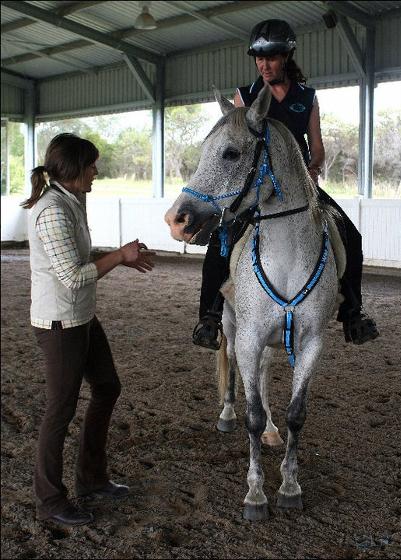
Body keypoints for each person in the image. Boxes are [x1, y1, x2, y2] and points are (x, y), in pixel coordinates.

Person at [192, 19, 379, 350]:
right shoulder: (245, 95)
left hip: (300, 185)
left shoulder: (306, 98)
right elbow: (235, 139)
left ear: (287, 57)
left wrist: (311, 173)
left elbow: (317, 148)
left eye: (272, 57)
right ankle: (210, 314)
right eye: (259, 58)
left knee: (351, 234)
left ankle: (353, 311)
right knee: (222, 236)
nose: (264, 64)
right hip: (256, 185)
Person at [22, 133, 155, 526]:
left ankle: (91, 478)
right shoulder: (53, 211)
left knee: (108, 386)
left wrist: (121, 260)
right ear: (75, 169)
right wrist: (119, 255)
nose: (97, 170)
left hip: (79, 317)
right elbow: (73, 275)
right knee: (59, 410)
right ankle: (49, 499)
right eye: (92, 164)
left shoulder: (71, 201)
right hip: (60, 322)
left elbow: (78, 259)